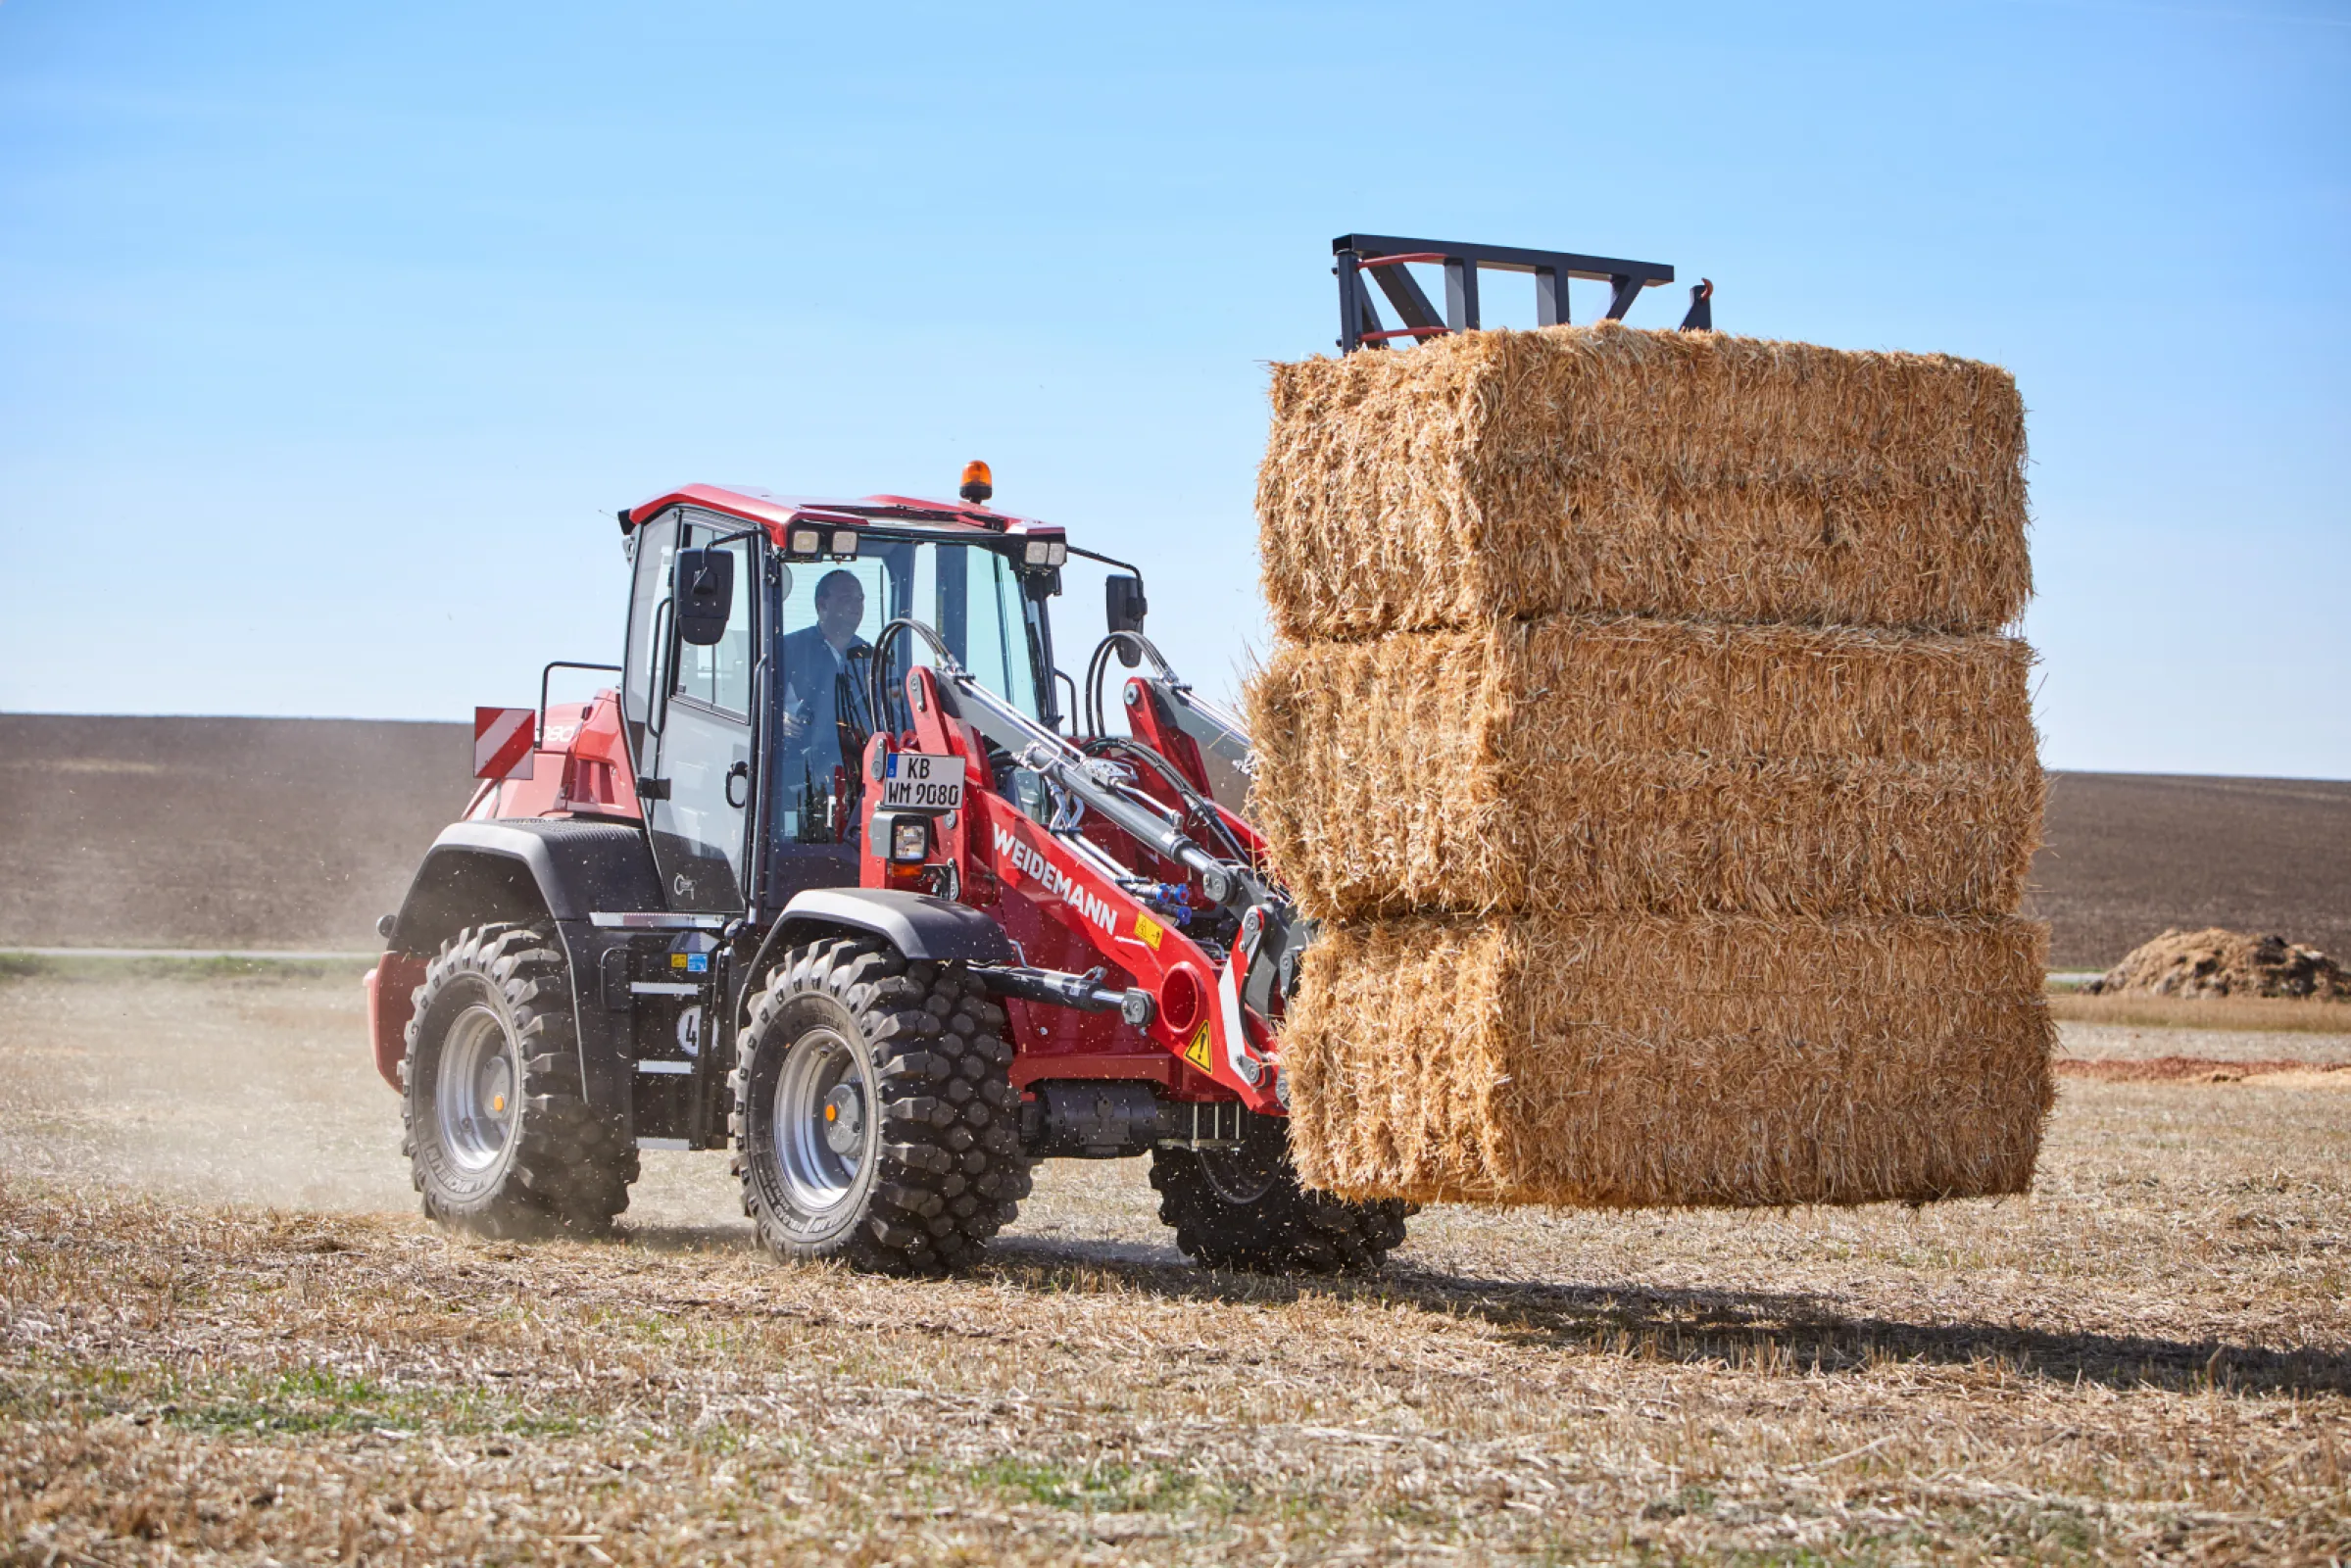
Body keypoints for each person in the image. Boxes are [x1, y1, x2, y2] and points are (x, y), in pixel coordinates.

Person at [779, 569, 872, 781]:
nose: (856, 606)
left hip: (859, 773)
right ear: (822, 605)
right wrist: (779, 720)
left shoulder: (872, 658)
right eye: (846, 598)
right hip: (799, 775)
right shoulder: (788, 649)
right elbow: (758, 705)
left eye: (860, 599)